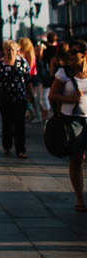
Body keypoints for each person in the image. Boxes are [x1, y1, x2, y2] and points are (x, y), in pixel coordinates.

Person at [47, 40, 87, 211]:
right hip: (73, 120)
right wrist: (70, 99)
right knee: (77, 159)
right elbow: (52, 95)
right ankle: (79, 198)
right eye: (69, 52)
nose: (70, 55)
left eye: (74, 52)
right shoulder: (64, 73)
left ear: (84, 54)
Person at [0, 40, 32, 159]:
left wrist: (31, 98)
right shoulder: (0, 64)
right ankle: (7, 145)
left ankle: (21, 150)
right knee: (6, 123)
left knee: (20, 124)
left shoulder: (22, 62)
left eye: (12, 50)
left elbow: (28, 80)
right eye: (7, 49)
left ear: (16, 51)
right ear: (4, 51)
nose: (10, 52)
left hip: (20, 98)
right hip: (4, 99)